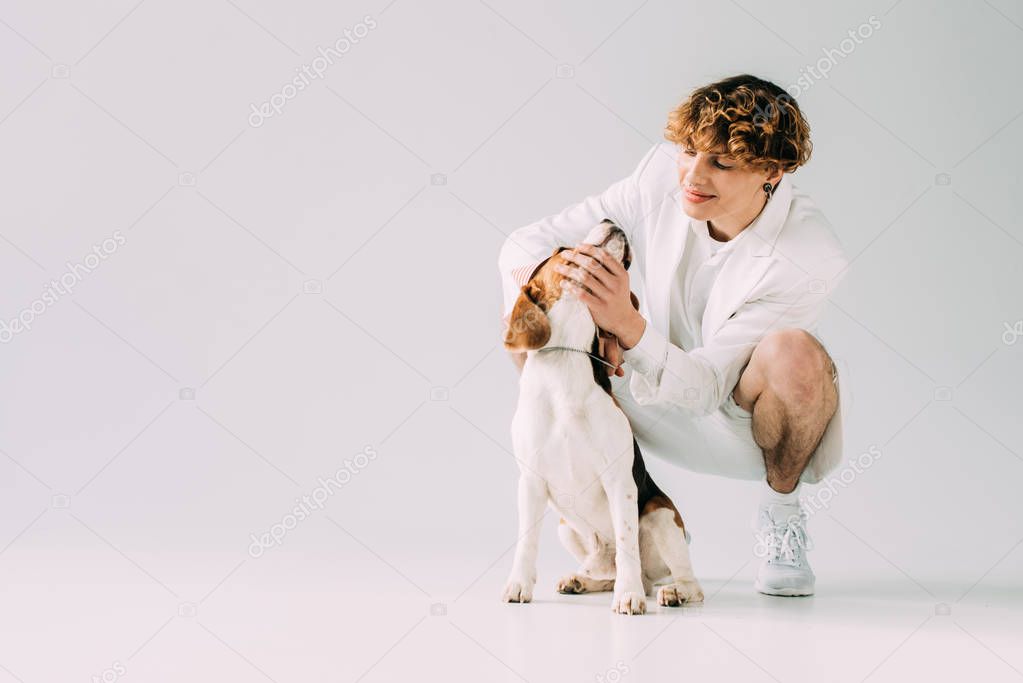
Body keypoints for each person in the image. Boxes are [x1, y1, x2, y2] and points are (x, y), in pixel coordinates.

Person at [497, 74, 850, 597]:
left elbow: (708, 385)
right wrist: (567, 287)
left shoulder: (811, 255)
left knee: (795, 354)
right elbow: (524, 244)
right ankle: (597, 529)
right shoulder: (665, 172)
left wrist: (627, 325)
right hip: (628, 390)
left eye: (721, 164)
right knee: (531, 319)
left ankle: (781, 513)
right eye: (687, 151)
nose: (691, 175)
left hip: (736, 424)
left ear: (772, 172)